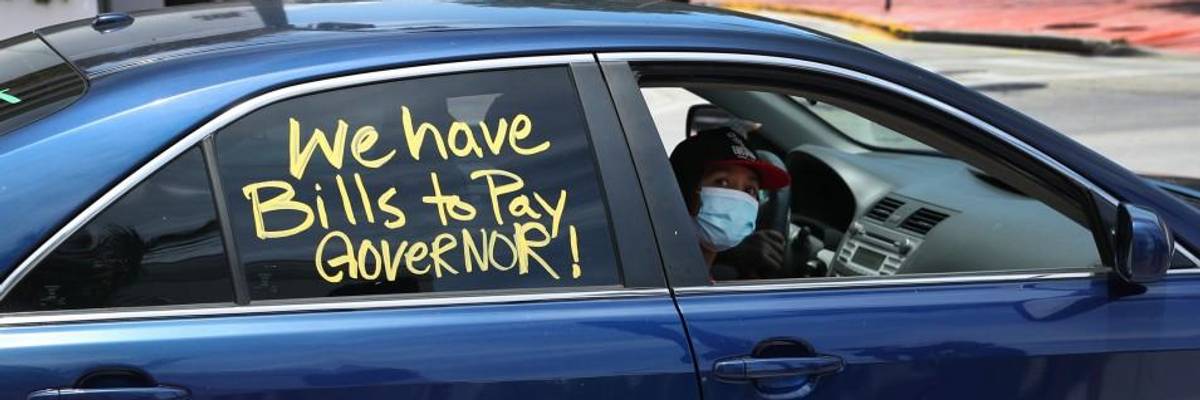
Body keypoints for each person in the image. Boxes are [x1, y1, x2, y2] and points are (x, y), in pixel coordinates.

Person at [669, 127, 791, 280]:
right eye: (722, 182)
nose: (738, 198)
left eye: (750, 190)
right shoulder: (660, 280)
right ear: (683, 188)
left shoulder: (699, 278)